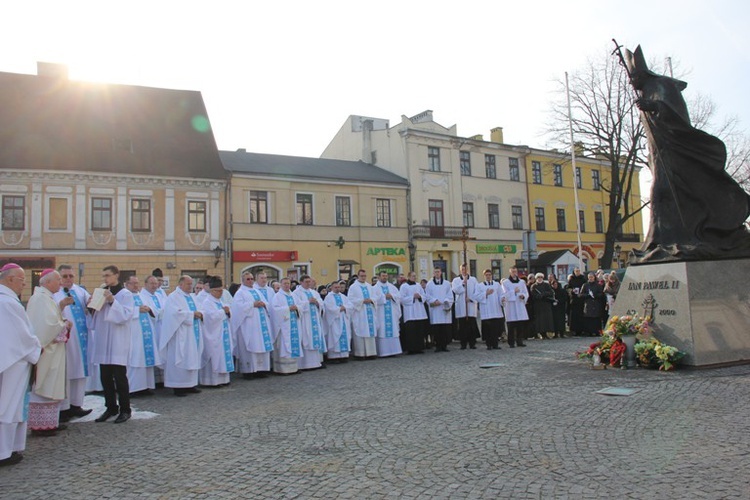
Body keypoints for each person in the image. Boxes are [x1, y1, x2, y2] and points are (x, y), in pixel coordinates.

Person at [0, 264, 41, 466]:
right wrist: (37, 347)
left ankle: (10, 448)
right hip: (13, 362)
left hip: (9, 360)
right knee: (8, 406)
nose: (24, 283)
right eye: (21, 279)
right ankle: (4, 452)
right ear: (9, 279)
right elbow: (23, 336)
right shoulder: (8, 303)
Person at [26, 269, 71, 435]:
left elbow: (53, 321)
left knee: (51, 384)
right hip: (46, 350)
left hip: (53, 350)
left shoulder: (46, 297)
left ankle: (50, 423)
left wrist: (62, 323)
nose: (61, 283)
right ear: (47, 282)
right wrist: (64, 325)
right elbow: (44, 327)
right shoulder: (40, 299)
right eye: (58, 280)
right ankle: (40, 426)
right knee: (44, 384)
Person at [90, 265, 134, 423]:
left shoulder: (125, 294)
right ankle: (110, 407)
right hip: (104, 339)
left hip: (117, 340)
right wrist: (92, 305)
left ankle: (125, 409)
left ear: (116, 275)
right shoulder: (102, 291)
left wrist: (111, 301)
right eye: (104, 276)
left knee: (120, 377)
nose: (105, 279)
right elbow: (95, 316)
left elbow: (125, 316)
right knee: (105, 376)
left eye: (108, 275)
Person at [55, 264, 93, 421]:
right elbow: (49, 312)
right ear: (59, 278)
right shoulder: (54, 293)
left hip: (82, 337)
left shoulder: (79, 290)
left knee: (80, 372)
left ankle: (76, 405)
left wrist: (92, 301)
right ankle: (63, 409)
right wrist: (61, 305)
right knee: (67, 372)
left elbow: (89, 304)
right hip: (66, 339)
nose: (69, 279)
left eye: (71, 276)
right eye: (65, 276)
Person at [160, 275, 204, 397]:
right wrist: (191, 314)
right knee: (180, 357)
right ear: (180, 284)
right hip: (180, 334)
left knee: (192, 357)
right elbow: (173, 314)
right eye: (188, 284)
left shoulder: (192, 297)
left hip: (193, 332)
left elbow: (200, 309)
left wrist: (200, 313)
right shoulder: (173, 297)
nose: (191, 286)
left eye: (191, 284)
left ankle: (190, 384)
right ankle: (178, 386)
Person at [231, 271, 274, 378]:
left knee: (261, 345)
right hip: (248, 326)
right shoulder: (240, 293)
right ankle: (249, 371)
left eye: (251, 279)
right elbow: (237, 308)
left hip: (261, 324)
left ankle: (261, 370)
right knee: (250, 346)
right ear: (243, 280)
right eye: (247, 279)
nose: (250, 281)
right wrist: (252, 304)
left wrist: (263, 304)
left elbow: (267, 304)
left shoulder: (257, 291)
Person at [125, 275, 160, 396]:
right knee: (135, 360)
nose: (136, 286)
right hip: (133, 334)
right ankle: (133, 388)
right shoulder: (124, 296)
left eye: (137, 283)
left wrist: (148, 308)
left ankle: (145, 386)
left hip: (145, 332)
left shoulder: (140, 295)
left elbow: (153, 309)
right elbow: (122, 312)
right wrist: (137, 310)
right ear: (126, 284)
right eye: (133, 283)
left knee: (145, 359)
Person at [199, 276, 235, 387]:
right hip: (213, 334)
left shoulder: (220, 301)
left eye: (222, 290)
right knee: (215, 356)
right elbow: (209, 318)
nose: (220, 293)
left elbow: (228, 313)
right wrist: (223, 312)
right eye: (218, 291)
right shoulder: (207, 302)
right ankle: (211, 381)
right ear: (212, 290)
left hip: (223, 333)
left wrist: (228, 312)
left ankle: (223, 379)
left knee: (223, 355)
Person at [270, 278, 303, 374]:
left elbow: (300, 306)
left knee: (294, 344)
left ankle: (294, 368)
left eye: (288, 283)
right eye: (284, 283)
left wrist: (297, 308)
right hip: (284, 326)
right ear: (281, 284)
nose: (287, 285)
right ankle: (283, 369)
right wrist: (288, 308)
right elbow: (275, 310)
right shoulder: (277, 296)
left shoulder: (294, 295)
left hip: (294, 324)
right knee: (284, 345)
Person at [293, 275, 326, 369]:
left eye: (309, 281)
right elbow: (297, 305)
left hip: (315, 319)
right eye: (306, 282)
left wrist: (317, 303)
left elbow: (321, 303)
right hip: (305, 320)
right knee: (306, 338)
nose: (308, 283)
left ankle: (316, 363)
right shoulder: (296, 293)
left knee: (314, 338)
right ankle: (304, 364)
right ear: (301, 282)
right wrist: (308, 302)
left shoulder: (314, 292)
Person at [140, 275, 166, 386]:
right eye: (152, 283)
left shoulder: (159, 295)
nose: (154, 286)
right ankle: (155, 380)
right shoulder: (142, 296)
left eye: (155, 283)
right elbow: (150, 310)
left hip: (162, 327)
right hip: (151, 328)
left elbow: (166, 307)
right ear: (145, 284)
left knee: (162, 351)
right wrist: (159, 312)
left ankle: (162, 379)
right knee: (154, 352)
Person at [348, 269, 379, 359]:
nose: (363, 277)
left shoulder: (369, 286)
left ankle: (371, 353)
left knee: (370, 331)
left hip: (369, 312)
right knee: (360, 331)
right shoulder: (353, 287)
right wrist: (361, 301)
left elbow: (375, 297)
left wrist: (371, 300)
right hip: (360, 313)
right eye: (361, 276)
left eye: (364, 276)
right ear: (358, 276)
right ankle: (360, 354)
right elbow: (350, 300)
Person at [473, 269, 507, 350]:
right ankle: (488, 344)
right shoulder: (479, 285)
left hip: (495, 309)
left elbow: (501, 294)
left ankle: (495, 344)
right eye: (486, 275)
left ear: (491, 275)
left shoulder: (496, 285)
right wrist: (486, 294)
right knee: (487, 329)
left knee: (495, 329)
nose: (488, 276)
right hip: (486, 310)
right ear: (484, 276)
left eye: (489, 275)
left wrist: (502, 299)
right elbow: (476, 296)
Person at [323, 281, 353, 363]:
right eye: (335, 287)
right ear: (331, 288)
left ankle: (344, 356)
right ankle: (334, 356)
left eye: (338, 287)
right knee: (334, 337)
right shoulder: (328, 297)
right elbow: (328, 308)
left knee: (345, 336)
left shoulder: (343, 296)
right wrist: (339, 309)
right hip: (334, 321)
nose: (337, 289)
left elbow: (350, 305)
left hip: (343, 319)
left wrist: (345, 307)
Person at [374, 271, 402, 357]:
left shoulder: (392, 287)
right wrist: (384, 297)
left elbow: (398, 297)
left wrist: (392, 296)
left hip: (392, 313)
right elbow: (374, 299)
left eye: (386, 276)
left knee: (393, 330)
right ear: (379, 277)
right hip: (381, 313)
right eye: (383, 276)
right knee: (382, 331)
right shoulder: (375, 288)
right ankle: (383, 352)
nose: (385, 277)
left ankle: (394, 351)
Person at [399, 271, 428, 354]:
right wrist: (412, 297)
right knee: (411, 332)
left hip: (419, 311)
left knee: (419, 330)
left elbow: (424, 296)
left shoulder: (419, 285)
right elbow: (401, 299)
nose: (414, 277)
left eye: (415, 276)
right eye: (413, 276)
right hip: (410, 313)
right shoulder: (404, 286)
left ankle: (419, 347)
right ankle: (411, 349)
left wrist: (420, 297)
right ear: (408, 276)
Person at [452, 264, 479, 350]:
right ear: (460, 270)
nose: (464, 271)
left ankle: (472, 343)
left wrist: (471, 299)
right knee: (462, 327)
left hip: (470, 306)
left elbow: (477, 291)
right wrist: (462, 284)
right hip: (461, 306)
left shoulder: (473, 280)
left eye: (465, 269)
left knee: (471, 326)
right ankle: (463, 343)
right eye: (462, 269)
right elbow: (455, 290)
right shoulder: (456, 280)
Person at [426, 267, 453, 352]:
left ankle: (444, 346)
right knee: (436, 329)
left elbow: (450, 295)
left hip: (443, 308)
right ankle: (437, 346)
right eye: (435, 272)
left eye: (438, 272)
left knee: (444, 329)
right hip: (435, 309)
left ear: (441, 273)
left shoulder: (447, 283)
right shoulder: (429, 284)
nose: (437, 273)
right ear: (433, 273)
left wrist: (446, 301)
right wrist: (434, 301)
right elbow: (427, 295)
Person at [502, 266, 529, 348]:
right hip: (511, 306)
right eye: (513, 271)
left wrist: (523, 296)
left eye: (515, 271)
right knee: (511, 326)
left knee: (520, 325)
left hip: (519, 305)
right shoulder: (505, 282)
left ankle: (519, 341)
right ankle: (511, 342)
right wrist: (513, 291)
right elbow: (504, 294)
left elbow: (526, 292)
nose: (514, 273)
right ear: (510, 272)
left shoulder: (521, 282)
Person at [530, 273, 555, 340]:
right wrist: (539, 296)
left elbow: (551, 293)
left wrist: (544, 294)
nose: (540, 278)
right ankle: (541, 333)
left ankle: (547, 333)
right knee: (540, 321)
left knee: (547, 320)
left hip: (546, 305)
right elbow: (533, 295)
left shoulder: (546, 285)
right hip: (538, 306)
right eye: (538, 277)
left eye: (541, 277)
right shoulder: (534, 286)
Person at [580, 272, 605, 336]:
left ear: (594, 277)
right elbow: (581, 294)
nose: (590, 278)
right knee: (589, 319)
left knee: (596, 319)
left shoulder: (598, 285)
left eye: (592, 277)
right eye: (589, 277)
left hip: (596, 304)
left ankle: (596, 331)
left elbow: (601, 294)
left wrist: (595, 295)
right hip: (588, 304)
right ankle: (589, 332)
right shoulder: (585, 285)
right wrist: (588, 295)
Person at [567, 268, 586, 336]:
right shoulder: (571, 279)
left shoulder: (583, 279)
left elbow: (585, 287)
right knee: (574, 316)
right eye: (576, 271)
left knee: (581, 315)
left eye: (578, 271)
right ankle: (574, 330)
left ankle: (582, 330)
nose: (577, 272)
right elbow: (568, 288)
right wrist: (572, 291)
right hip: (574, 300)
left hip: (581, 300)